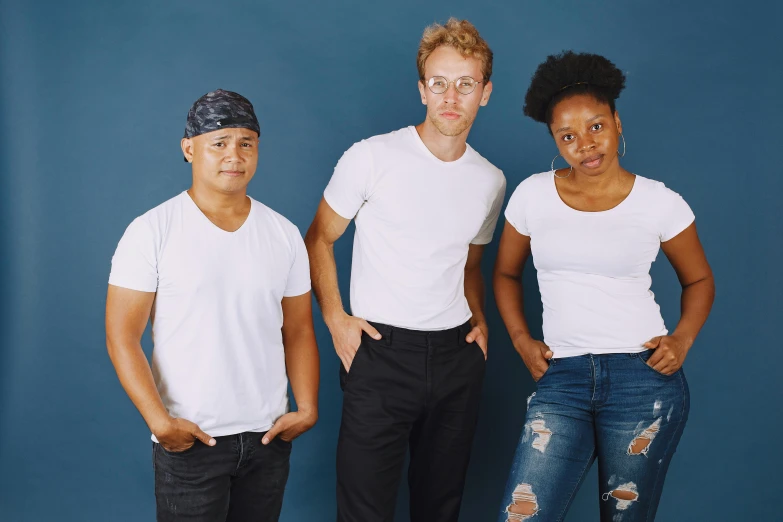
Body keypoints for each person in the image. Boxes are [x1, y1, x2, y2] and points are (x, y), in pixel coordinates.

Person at [493, 52, 715, 522]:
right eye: (567, 136)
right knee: (521, 514)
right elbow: (506, 273)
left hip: (643, 381)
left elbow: (698, 279)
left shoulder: (660, 202)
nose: (585, 145)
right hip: (562, 379)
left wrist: (682, 338)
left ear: (616, 120)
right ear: (555, 140)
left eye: (596, 126)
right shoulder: (532, 195)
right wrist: (519, 338)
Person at [304, 18, 506, 522]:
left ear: (485, 93)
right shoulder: (371, 157)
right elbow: (318, 238)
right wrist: (335, 319)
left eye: (465, 84)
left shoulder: (489, 180)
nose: (450, 96)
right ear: (422, 90)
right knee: (364, 511)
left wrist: (480, 321)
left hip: (456, 356)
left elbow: (471, 264)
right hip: (380, 353)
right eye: (438, 83)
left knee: (440, 509)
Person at [105, 89, 319, 522]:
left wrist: (308, 406)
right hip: (192, 440)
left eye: (246, 143)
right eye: (218, 142)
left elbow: (297, 330)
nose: (233, 155)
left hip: (266, 438)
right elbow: (121, 335)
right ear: (189, 149)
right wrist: (159, 422)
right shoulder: (151, 231)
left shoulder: (284, 233)